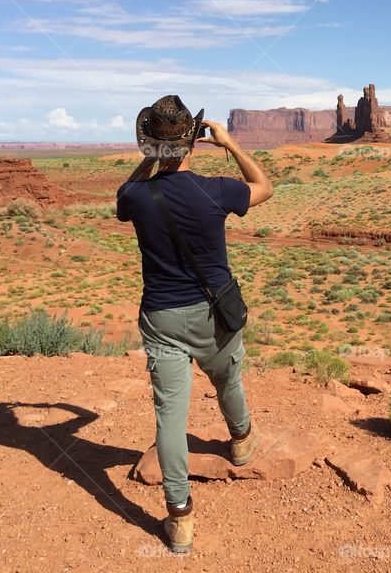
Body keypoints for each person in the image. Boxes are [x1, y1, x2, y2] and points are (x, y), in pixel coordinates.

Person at [116, 95, 274, 554]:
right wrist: (229, 143)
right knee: (227, 378)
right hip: (214, 315)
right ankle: (241, 440)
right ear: (192, 142)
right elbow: (263, 186)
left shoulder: (136, 196)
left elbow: (123, 199)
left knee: (170, 416)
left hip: (162, 319)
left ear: (150, 145)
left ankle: (180, 518)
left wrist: (153, 159)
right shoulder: (216, 190)